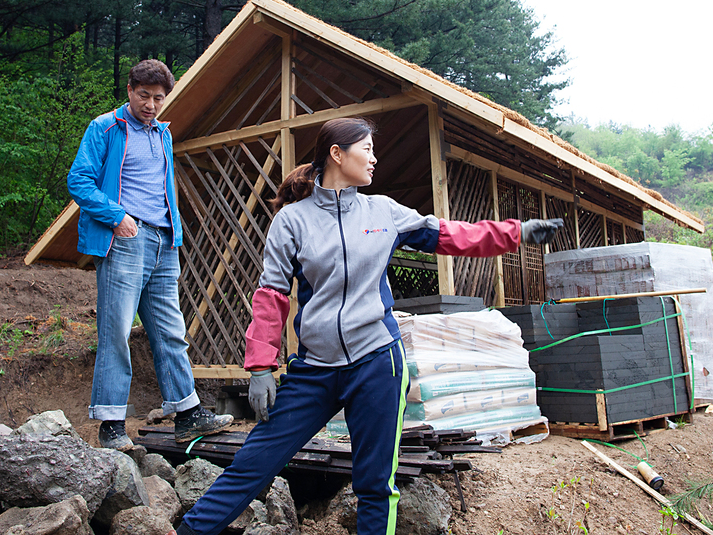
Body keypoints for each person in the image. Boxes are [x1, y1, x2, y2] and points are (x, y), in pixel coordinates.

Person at [176, 117, 563, 534]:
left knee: (375, 484)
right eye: (367, 149)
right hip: (314, 371)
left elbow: (450, 235)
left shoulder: (384, 212)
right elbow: (272, 296)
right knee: (253, 464)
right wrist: (260, 366)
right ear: (337, 154)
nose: (375, 159)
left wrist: (516, 232)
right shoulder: (292, 221)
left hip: (378, 363)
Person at [67, 59, 233, 450]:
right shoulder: (104, 127)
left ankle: (188, 414)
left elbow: (163, 187)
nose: (151, 104)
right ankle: (110, 425)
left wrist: (174, 233)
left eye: (159, 98)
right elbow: (79, 180)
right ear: (130, 90)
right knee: (117, 332)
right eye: (145, 96)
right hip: (125, 237)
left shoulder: (163, 134)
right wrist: (115, 215)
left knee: (170, 330)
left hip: (162, 240)